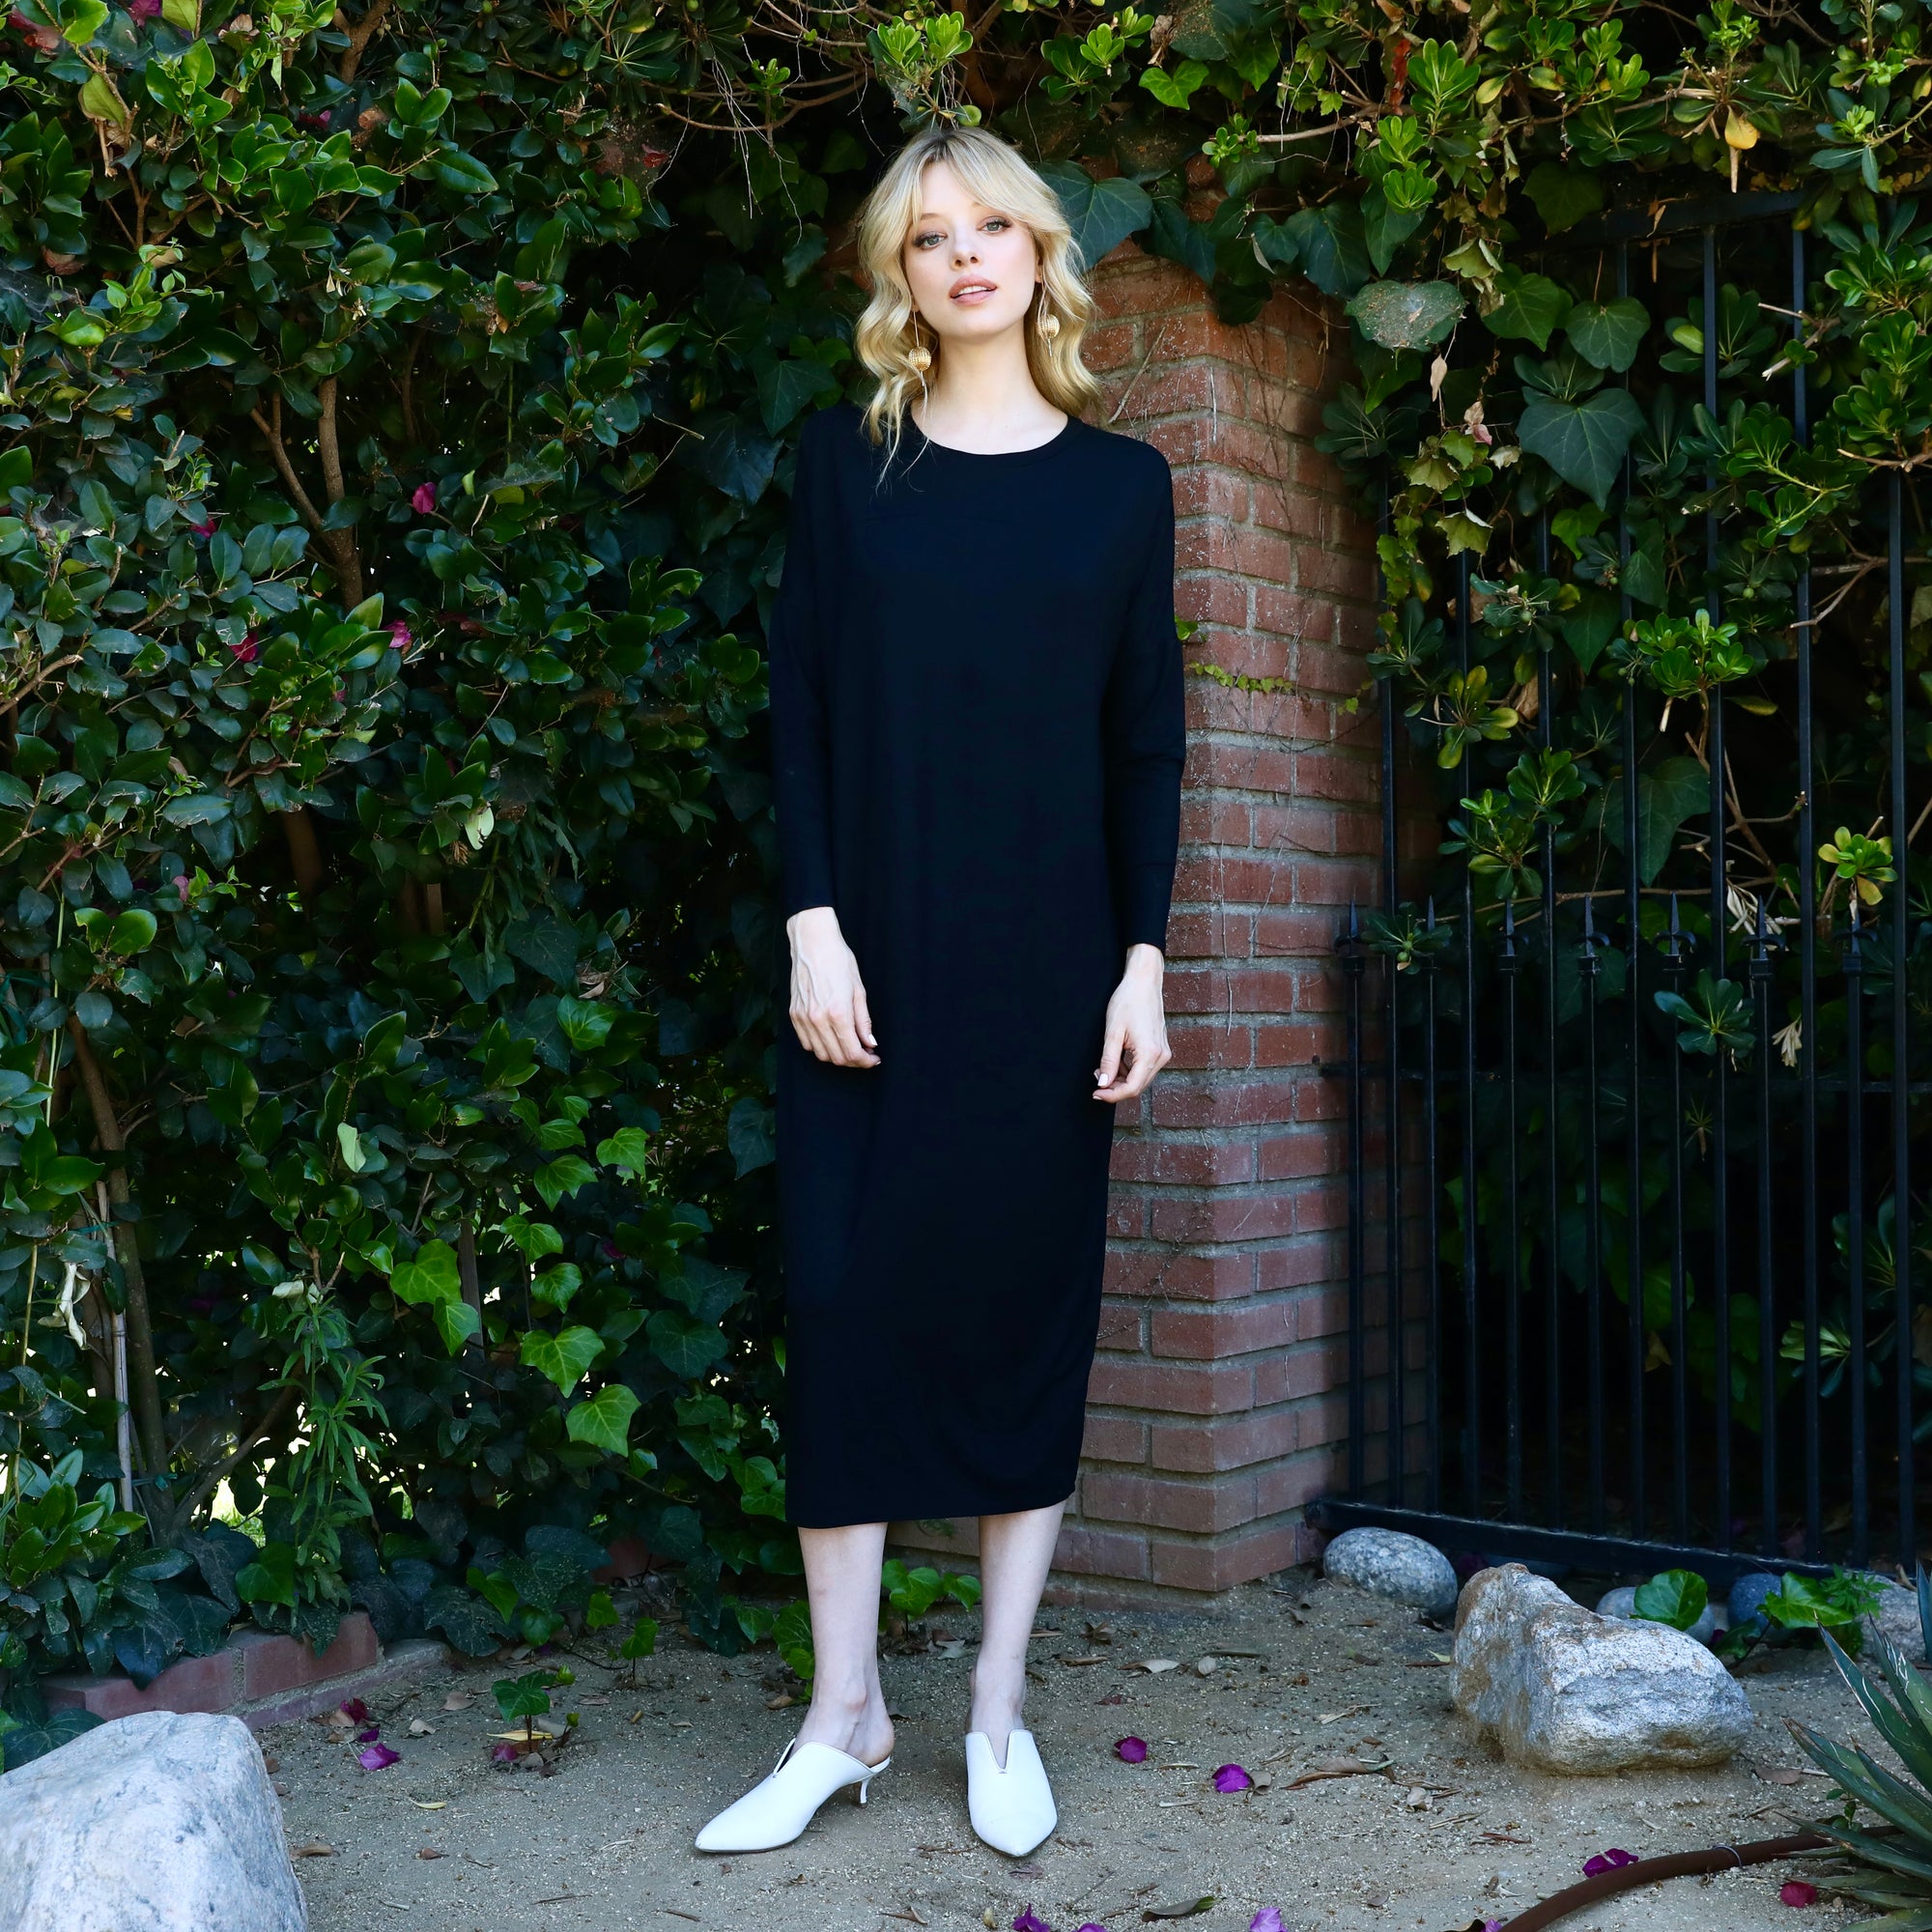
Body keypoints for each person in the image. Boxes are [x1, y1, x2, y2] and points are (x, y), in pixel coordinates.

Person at [694, 119, 1184, 1861]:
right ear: (898, 276)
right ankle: (843, 1717)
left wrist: (1143, 968)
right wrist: (812, 922)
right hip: (867, 964)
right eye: (928, 236)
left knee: (1019, 1310)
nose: (964, 254)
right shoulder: (848, 467)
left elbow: (1144, 746)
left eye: (990, 227)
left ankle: (992, 1709)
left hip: (1047, 975)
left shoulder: (1125, 488)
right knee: (841, 1305)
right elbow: (803, 711)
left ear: (1041, 253)